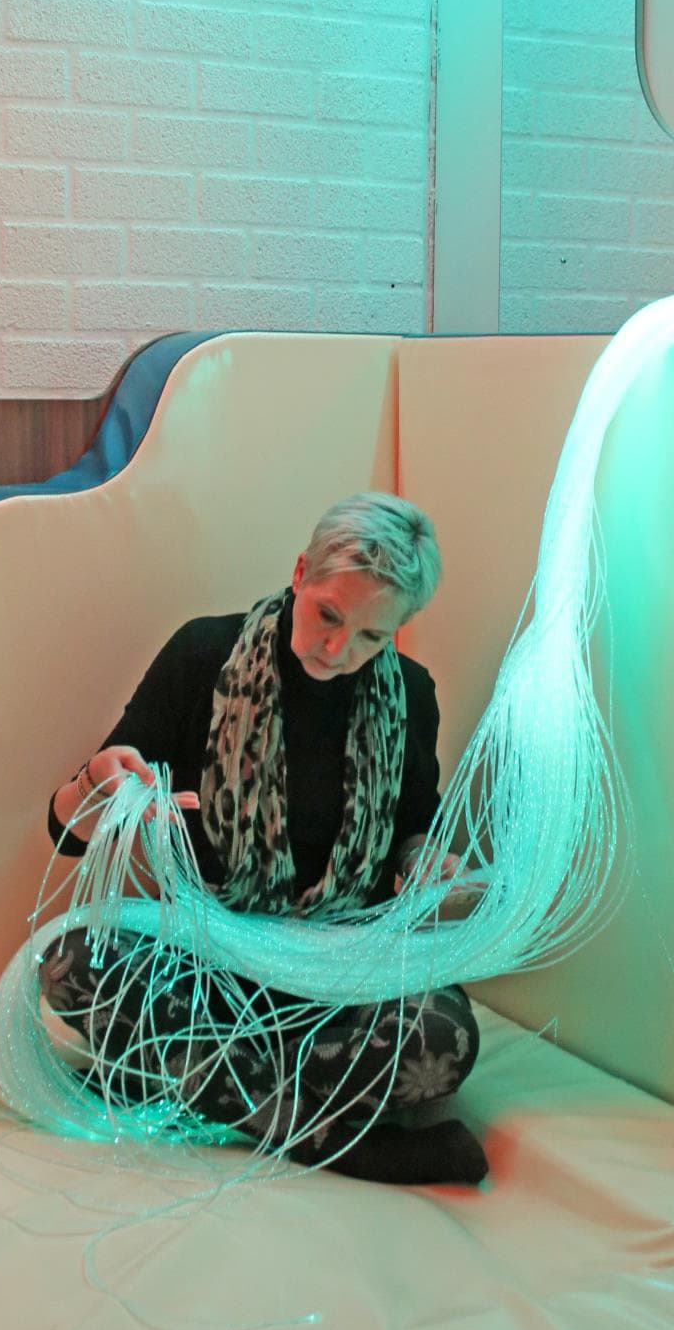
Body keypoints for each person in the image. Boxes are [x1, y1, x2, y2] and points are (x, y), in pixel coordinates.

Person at [40, 493, 489, 1187]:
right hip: (207, 962)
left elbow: (412, 829)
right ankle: (344, 1144)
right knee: (71, 964)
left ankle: (188, 1083)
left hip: (340, 974)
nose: (339, 652)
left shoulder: (411, 694)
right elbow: (66, 835)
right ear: (301, 572)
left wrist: (426, 858)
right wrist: (97, 783)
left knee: (443, 1038)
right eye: (328, 616)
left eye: (372, 637)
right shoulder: (202, 655)